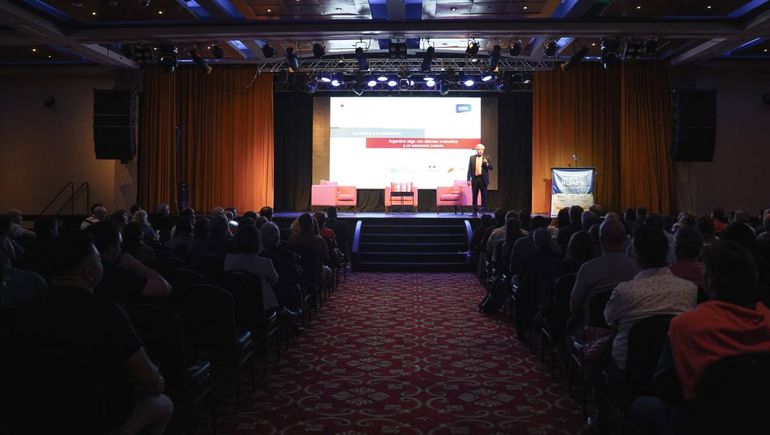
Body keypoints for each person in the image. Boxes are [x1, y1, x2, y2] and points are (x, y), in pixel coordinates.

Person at [3, 230, 173, 433]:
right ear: (90, 272)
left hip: (34, 417)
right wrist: (158, 381)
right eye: (99, 261)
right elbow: (149, 379)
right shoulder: (107, 314)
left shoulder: (22, 311)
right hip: (97, 420)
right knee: (163, 404)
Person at [604, 224, 697, 373]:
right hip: (672, 370)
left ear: (635, 253)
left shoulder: (624, 291)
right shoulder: (690, 289)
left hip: (628, 370)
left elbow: (609, 321)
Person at [569, 219, 638, 328]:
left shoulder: (587, 269)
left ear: (600, 240)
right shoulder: (638, 268)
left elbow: (574, 307)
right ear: (625, 239)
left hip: (593, 333)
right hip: (628, 331)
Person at [224, 225, 280, 311]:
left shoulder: (228, 259)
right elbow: (275, 280)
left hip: (235, 306)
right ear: (258, 242)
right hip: (261, 308)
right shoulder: (265, 262)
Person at [466, 143, 493, 215]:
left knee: (484, 196)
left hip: (483, 179)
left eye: (481, 149)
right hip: (475, 179)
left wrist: (486, 164)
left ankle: (483, 211)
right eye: (478, 149)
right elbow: (469, 169)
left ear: (483, 150)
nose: (479, 151)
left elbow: (491, 168)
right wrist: (468, 179)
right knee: (474, 195)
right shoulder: (472, 158)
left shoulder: (486, 158)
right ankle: (474, 211)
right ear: (476, 150)